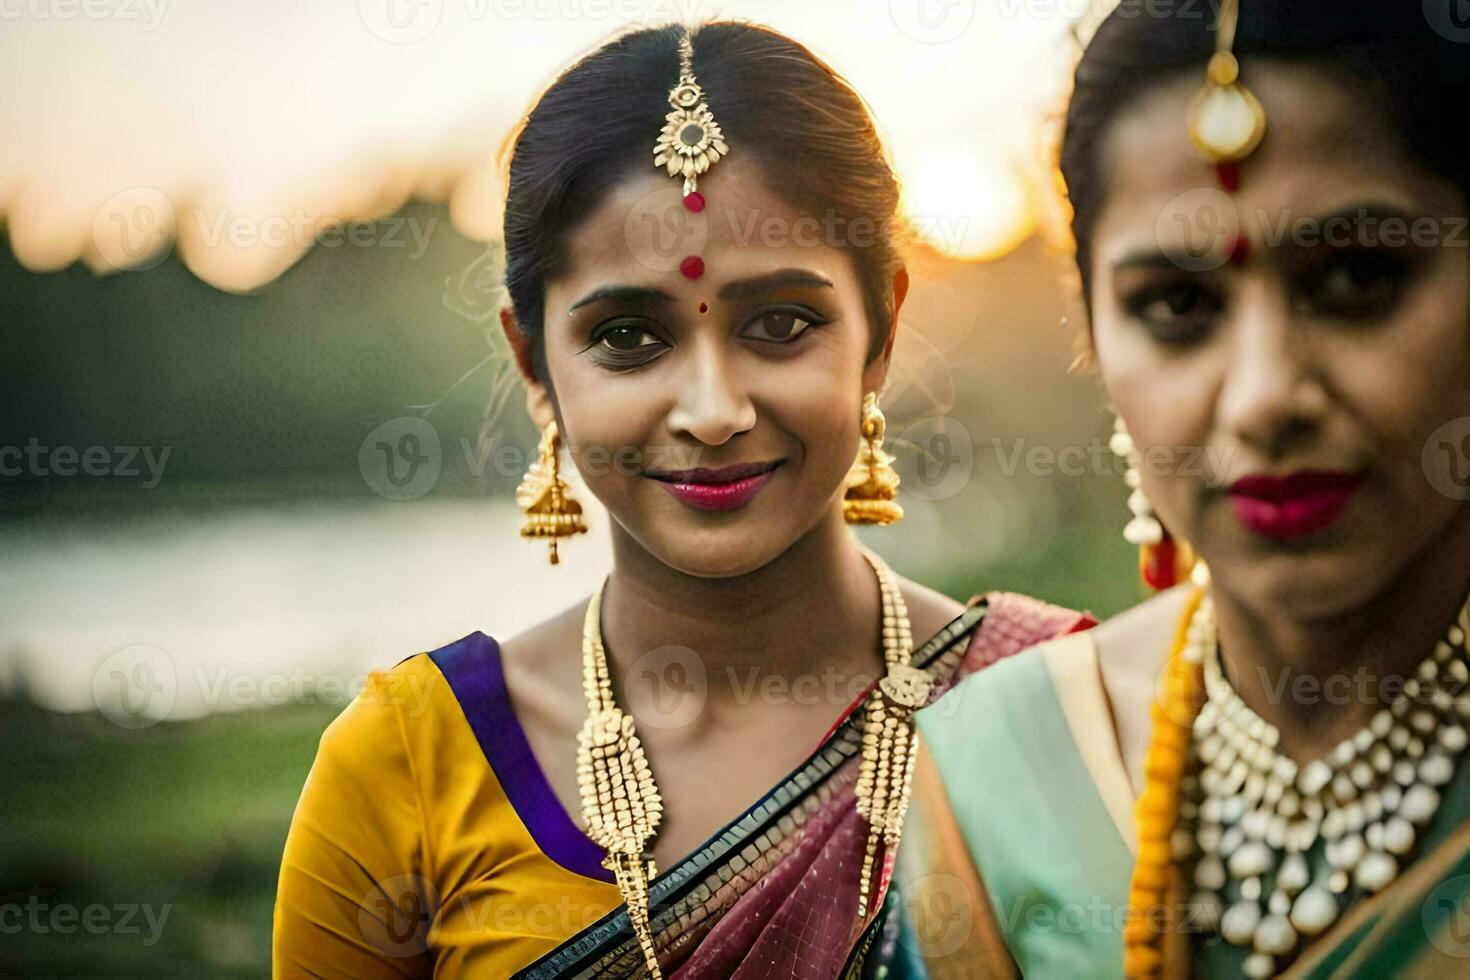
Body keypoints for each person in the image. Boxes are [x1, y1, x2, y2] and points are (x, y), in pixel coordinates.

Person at [272, 21, 1091, 978]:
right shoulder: (407, 767)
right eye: (627, 337)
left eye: (781, 323)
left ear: (880, 334)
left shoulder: (1046, 710)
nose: (712, 411)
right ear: (534, 362)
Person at [917, 1, 1470, 976]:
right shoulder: (999, 768)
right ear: (1089, 328)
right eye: (1177, 303)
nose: (1265, 397)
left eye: (1356, 278)